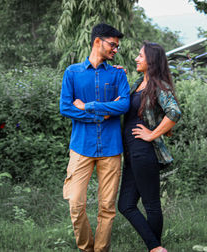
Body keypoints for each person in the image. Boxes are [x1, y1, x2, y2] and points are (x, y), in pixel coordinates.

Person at [59, 23, 130, 252]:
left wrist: (89, 107)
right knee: (76, 204)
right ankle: (86, 248)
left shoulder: (118, 73)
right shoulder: (72, 72)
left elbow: (125, 105)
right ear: (97, 41)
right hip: (81, 148)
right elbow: (66, 108)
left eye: (117, 46)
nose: (115, 50)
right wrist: (104, 113)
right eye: (113, 44)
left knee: (107, 207)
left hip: (111, 149)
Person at [118, 42, 181, 252]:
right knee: (125, 205)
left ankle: (155, 249)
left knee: (151, 204)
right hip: (132, 153)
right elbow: (123, 104)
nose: (137, 58)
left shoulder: (158, 85)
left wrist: (152, 134)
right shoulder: (139, 83)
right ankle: (156, 248)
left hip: (145, 152)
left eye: (140, 56)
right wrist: (116, 73)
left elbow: (174, 112)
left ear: (151, 60)